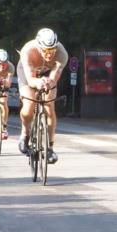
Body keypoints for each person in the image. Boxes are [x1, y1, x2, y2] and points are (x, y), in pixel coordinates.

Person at [17, 28, 68, 164]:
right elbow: (30, 79)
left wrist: (49, 82)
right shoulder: (28, 50)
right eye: (45, 51)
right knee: (29, 105)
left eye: (52, 50)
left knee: (49, 107)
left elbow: (54, 76)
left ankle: (50, 148)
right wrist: (37, 82)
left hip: (47, 74)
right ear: (39, 47)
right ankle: (25, 133)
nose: (49, 54)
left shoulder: (62, 54)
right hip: (28, 72)